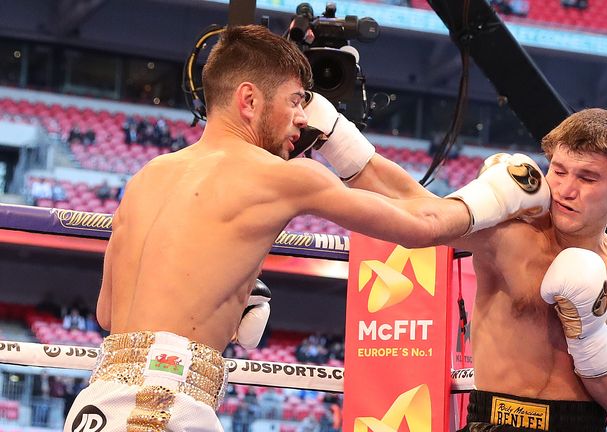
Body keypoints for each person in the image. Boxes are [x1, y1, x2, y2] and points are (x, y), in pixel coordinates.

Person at [63, 24, 546, 432]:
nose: (303, 118)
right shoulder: (280, 175)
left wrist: (230, 292)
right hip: (162, 405)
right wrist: (502, 193)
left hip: (98, 400)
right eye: (296, 101)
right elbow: (423, 226)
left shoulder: (148, 176)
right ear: (248, 99)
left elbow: (109, 312)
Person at [302, 94, 607, 431]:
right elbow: (414, 206)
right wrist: (335, 135)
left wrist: (588, 332)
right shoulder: (510, 236)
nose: (567, 189)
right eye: (559, 170)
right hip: (493, 418)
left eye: (587, 178)